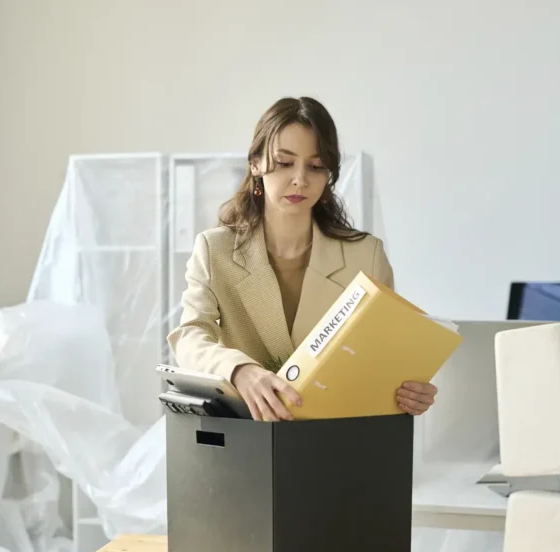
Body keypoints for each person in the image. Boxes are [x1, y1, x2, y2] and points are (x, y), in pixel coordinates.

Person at [168, 97, 438, 422]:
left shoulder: (366, 255)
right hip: (246, 439)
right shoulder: (215, 250)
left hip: (337, 438)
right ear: (255, 163)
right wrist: (238, 370)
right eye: (284, 163)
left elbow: (383, 357)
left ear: (329, 174)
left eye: (315, 166)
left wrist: (410, 389)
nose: (300, 179)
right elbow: (189, 336)